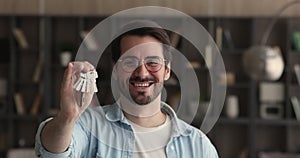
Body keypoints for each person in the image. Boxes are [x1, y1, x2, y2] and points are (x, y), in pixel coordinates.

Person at [35, 20, 219, 158]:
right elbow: (53, 153)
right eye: (130, 62)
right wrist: (67, 117)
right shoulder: (89, 125)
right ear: (115, 69)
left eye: (153, 63)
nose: (142, 72)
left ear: (167, 70)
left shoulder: (197, 144)